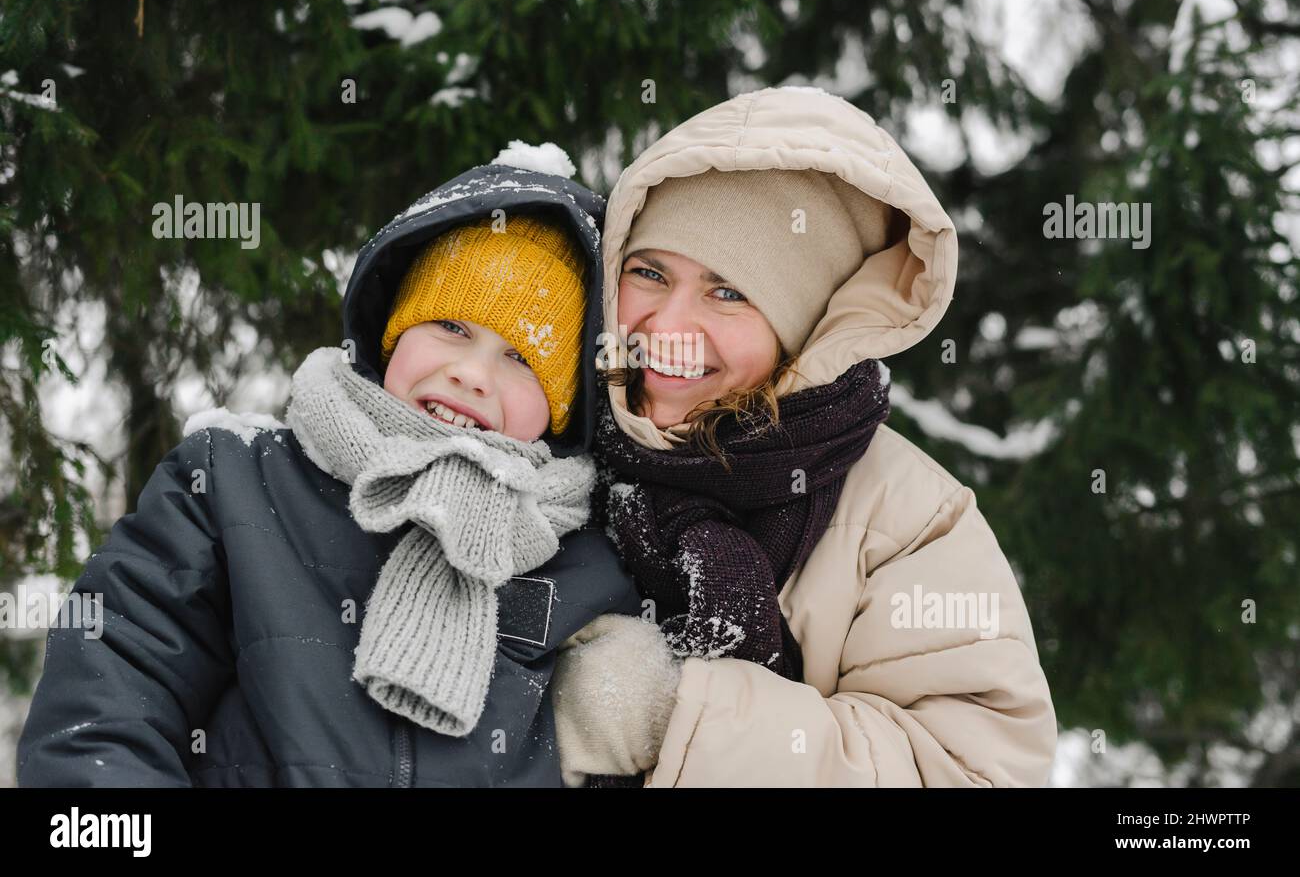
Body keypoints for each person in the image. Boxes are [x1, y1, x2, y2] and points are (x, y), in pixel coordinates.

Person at [17, 159, 641, 787]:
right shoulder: (235, 483)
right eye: (451, 326)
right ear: (394, 329)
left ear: (565, 403)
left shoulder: (581, 562)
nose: (472, 374)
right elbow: (110, 699)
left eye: (521, 357)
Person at [551, 86, 1058, 787]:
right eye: (649, 272)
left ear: (803, 330)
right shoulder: (544, 436)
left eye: (727, 292)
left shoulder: (910, 521)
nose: (665, 327)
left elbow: (971, 772)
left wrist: (673, 717)